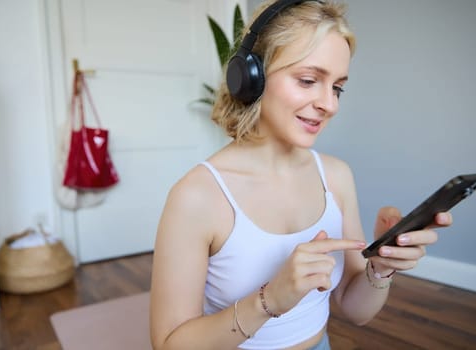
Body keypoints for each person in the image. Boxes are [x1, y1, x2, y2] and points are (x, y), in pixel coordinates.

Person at [150, 1, 452, 349]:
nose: (330, 104)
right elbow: (169, 344)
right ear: (251, 76)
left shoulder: (336, 178)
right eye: (309, 80)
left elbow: (357, 311)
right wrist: (269, 300)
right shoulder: (197, 196)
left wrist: (380, 269)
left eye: (337, 87)